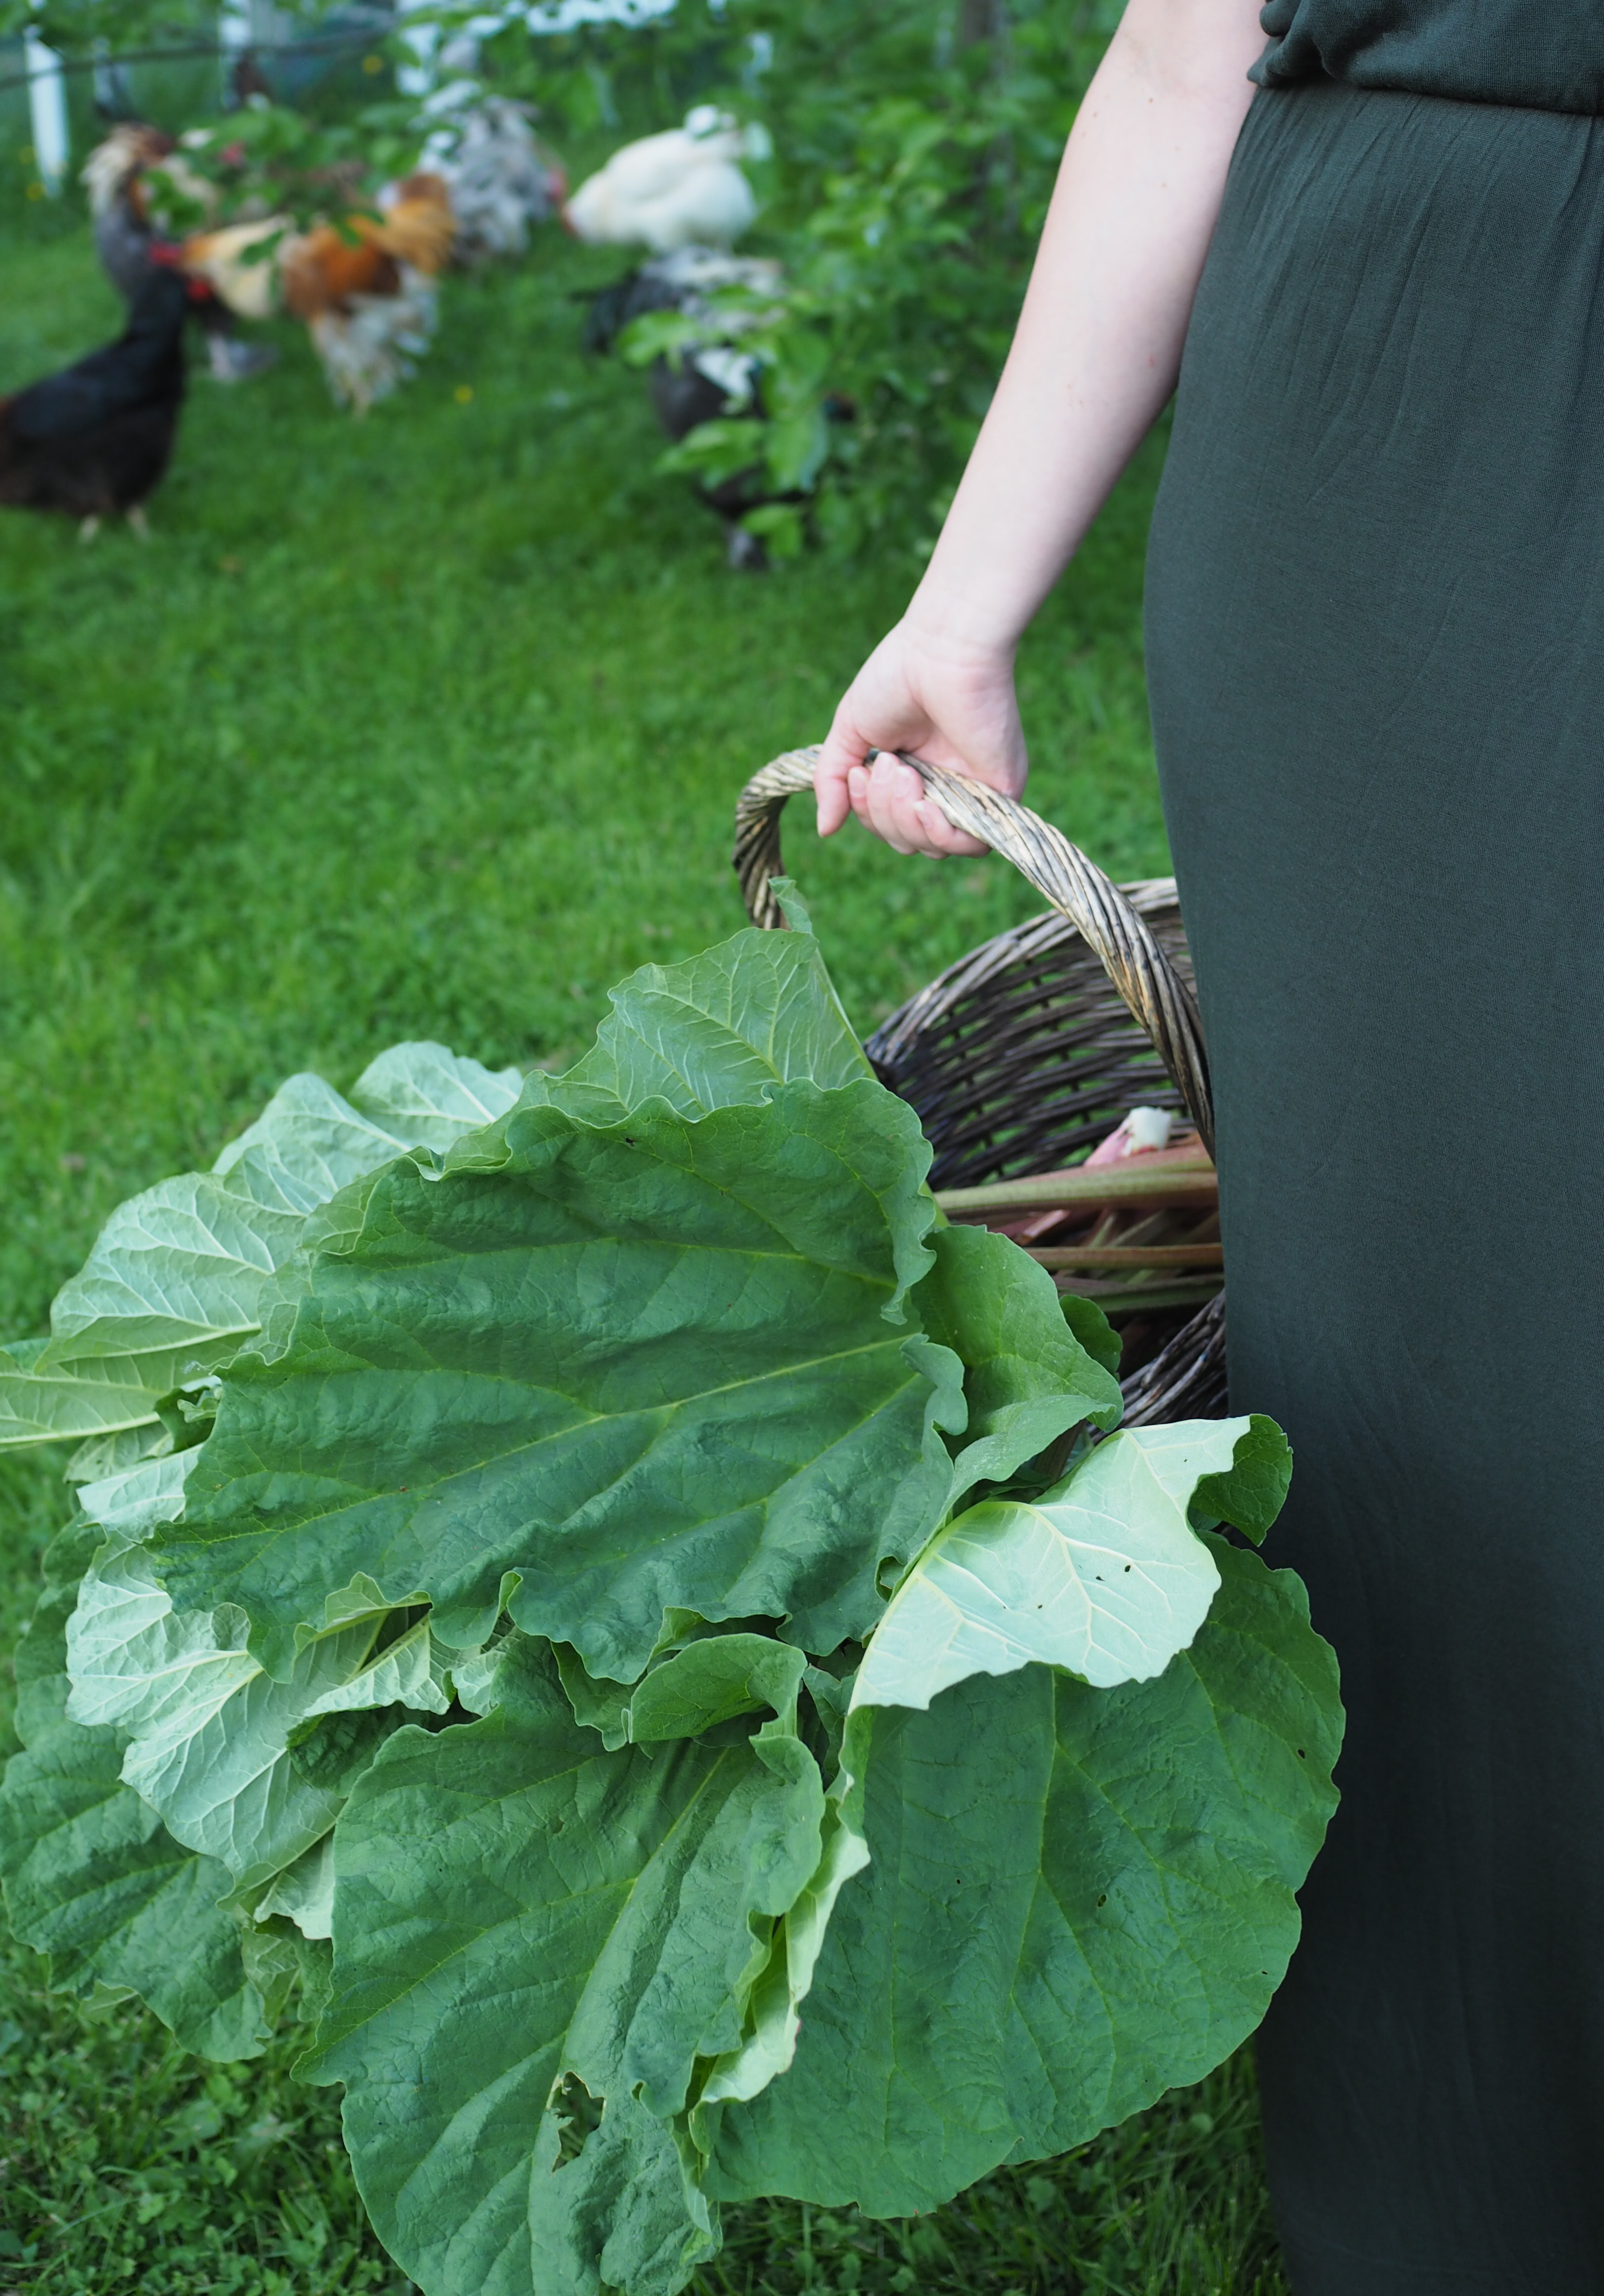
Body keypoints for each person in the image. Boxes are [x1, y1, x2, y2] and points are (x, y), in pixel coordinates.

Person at [814, 2, 1604, 2288]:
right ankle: (1462, 2183)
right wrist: (961, 605)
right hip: (1395, 420)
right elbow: (1188, 49)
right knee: (1426, 1371)